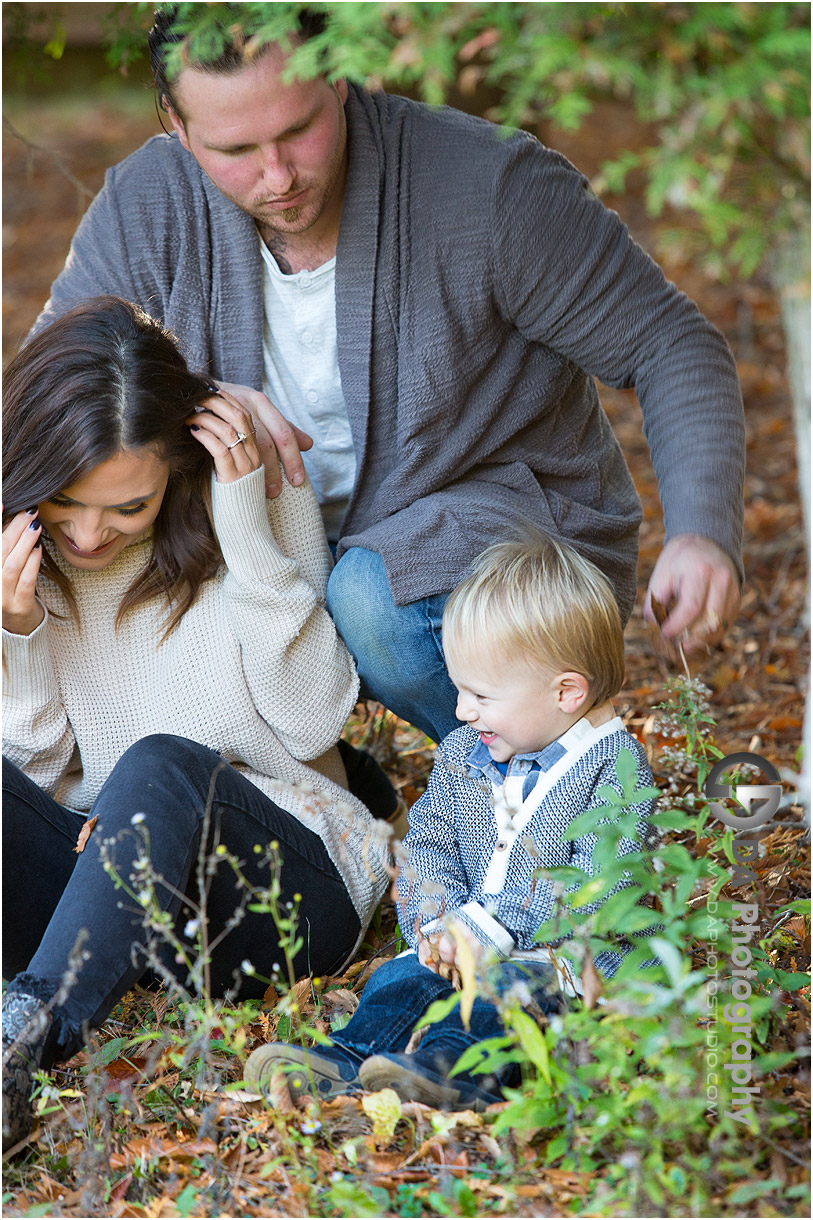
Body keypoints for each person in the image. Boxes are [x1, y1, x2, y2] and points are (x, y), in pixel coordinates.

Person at [30, 6, 745, 743]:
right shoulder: (147, 203)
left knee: (372, 598)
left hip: (504, 537)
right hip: (262, 551)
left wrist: (700, 529)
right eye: (236, 148)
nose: (277, 175)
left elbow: (669, 342)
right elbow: (55, 393)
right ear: (176, 127)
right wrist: (193, 398)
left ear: (339, 77)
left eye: (296, 131)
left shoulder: (487, 185)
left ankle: (541, 795)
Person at [1, 297, 391, 1151]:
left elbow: (312, 718)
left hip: (280, 878)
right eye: (65, 501)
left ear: (173, 474)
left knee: (159, 763)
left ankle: (22, 1052)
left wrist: (248, 529)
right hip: (105, 899)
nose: (90, 533)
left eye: (127, 508)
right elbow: (32, 797)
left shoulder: (244, 492)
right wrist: (19, 635)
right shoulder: (21, 553)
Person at [243, 532, 656, 1110]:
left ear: (566, 692)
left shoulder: (613, 771)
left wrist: (487, 932)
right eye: (459, 688)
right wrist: (439, 926)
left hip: (555, 958)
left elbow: (594, 889)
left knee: (503, 1001)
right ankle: (349, 1058)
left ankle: (449, 1072)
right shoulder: (465, 751)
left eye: (479, 695)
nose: (461, 712)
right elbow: (429, 844)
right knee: (397, 982)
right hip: (462, 934)